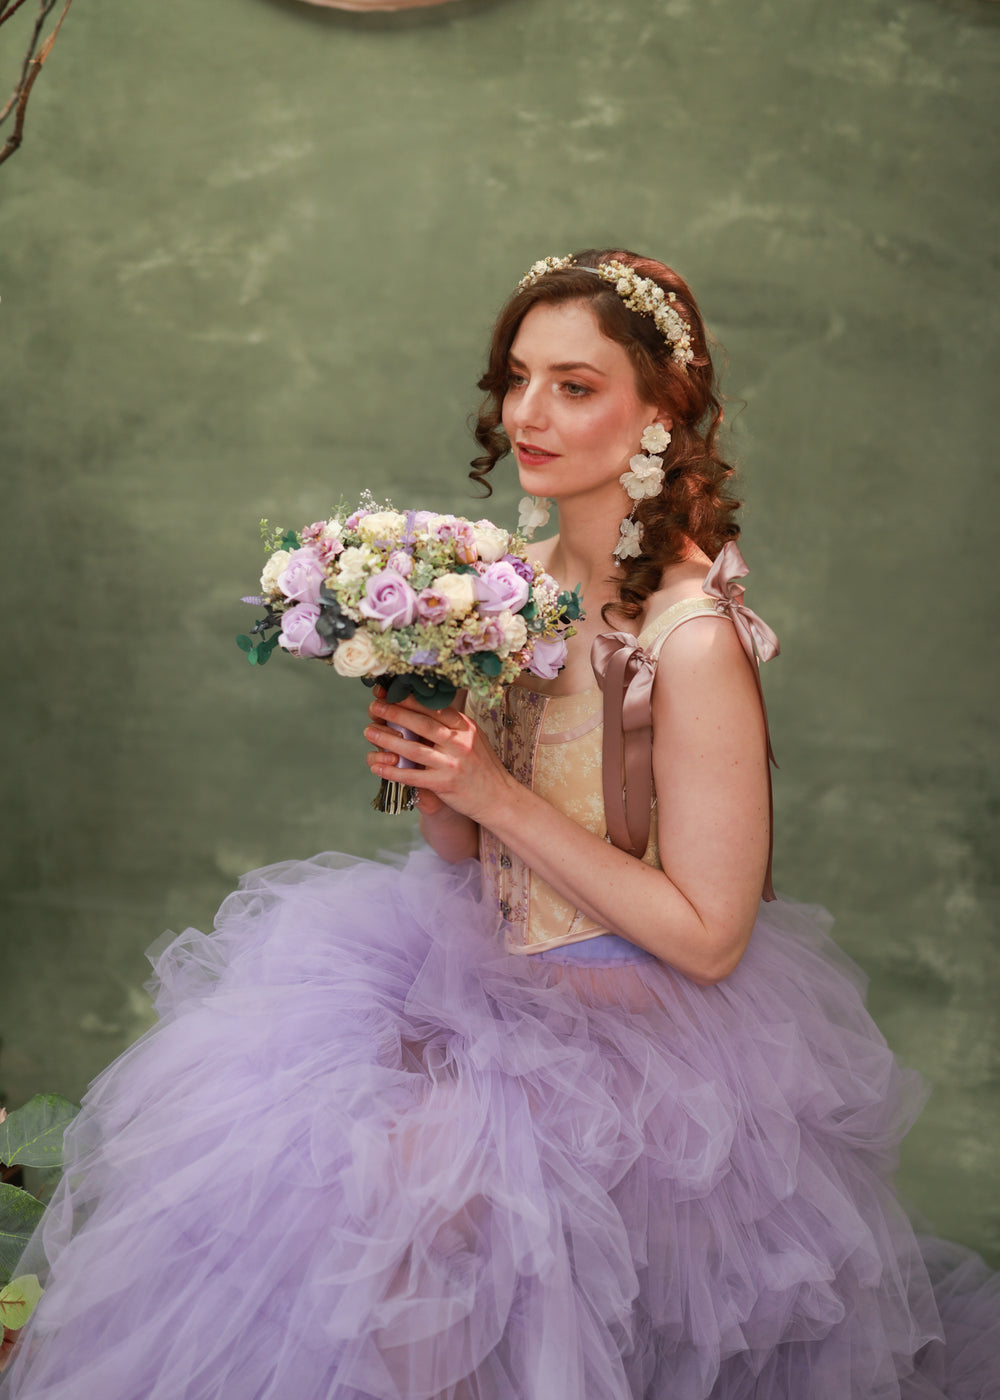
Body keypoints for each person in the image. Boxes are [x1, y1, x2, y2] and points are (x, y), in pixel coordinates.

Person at [3, 250, 998, 1399]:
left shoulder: (691, 637)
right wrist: (433, 764)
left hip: (638, 1041)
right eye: (517, 378)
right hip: (470, 971)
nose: (528, 412)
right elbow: (464, 852)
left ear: (659, 408)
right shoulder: (506, 587)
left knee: (421, 1196)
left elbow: (712, 934)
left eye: (574, 385)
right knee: (281, 1160)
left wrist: (495, 794)